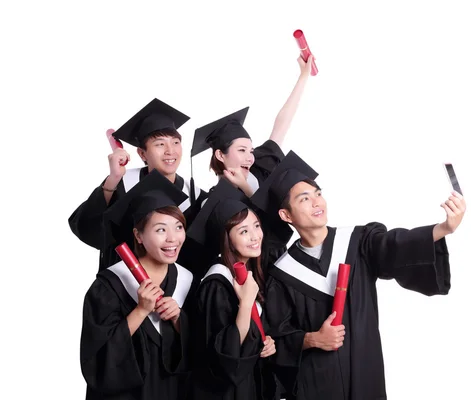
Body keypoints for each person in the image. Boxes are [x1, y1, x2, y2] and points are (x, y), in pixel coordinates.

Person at [251, 151, 467, 400]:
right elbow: (276, 337)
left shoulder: (357, 242)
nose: (317, 202)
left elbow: (393, 245)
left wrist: (443, 229)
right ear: (286, 215)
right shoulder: (282, 273)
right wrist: (311, 339)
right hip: (316, 387)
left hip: (365, 376)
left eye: (318, 194)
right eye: (304, 199)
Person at [80, 169, 194, 399]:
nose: (173, 238)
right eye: (160, 229)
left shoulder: (187, 279)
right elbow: (97, 362)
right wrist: (141, 310)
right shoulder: (108, 285)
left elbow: (201, 355)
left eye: (178, 227)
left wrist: (179, 320)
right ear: (138, 235)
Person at [69, 98, 207, 271]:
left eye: (176, 142)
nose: (170, 151)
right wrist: (113, 178)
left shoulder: (194, 193)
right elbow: (88, 228)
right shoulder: (123, 183)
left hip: (175, 288)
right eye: (160, 144)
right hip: (124, 283)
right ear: (142, 153)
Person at [183, 179, 279, 399]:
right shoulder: (215, 284)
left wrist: (266, 343)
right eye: (243, 231)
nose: (255, 236)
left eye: (256, 226)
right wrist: (245, 303)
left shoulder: (250, 273)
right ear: (226, 239)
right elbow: (226, 355)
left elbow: (249, 337)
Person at [190, 55, 314, 198]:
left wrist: (303, 76)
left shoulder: (260, 165)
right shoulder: (216, 200)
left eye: (251, 150)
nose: (250, 158)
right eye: (242, 150)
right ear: (220, 155)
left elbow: (282, 124)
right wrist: (245, 187)